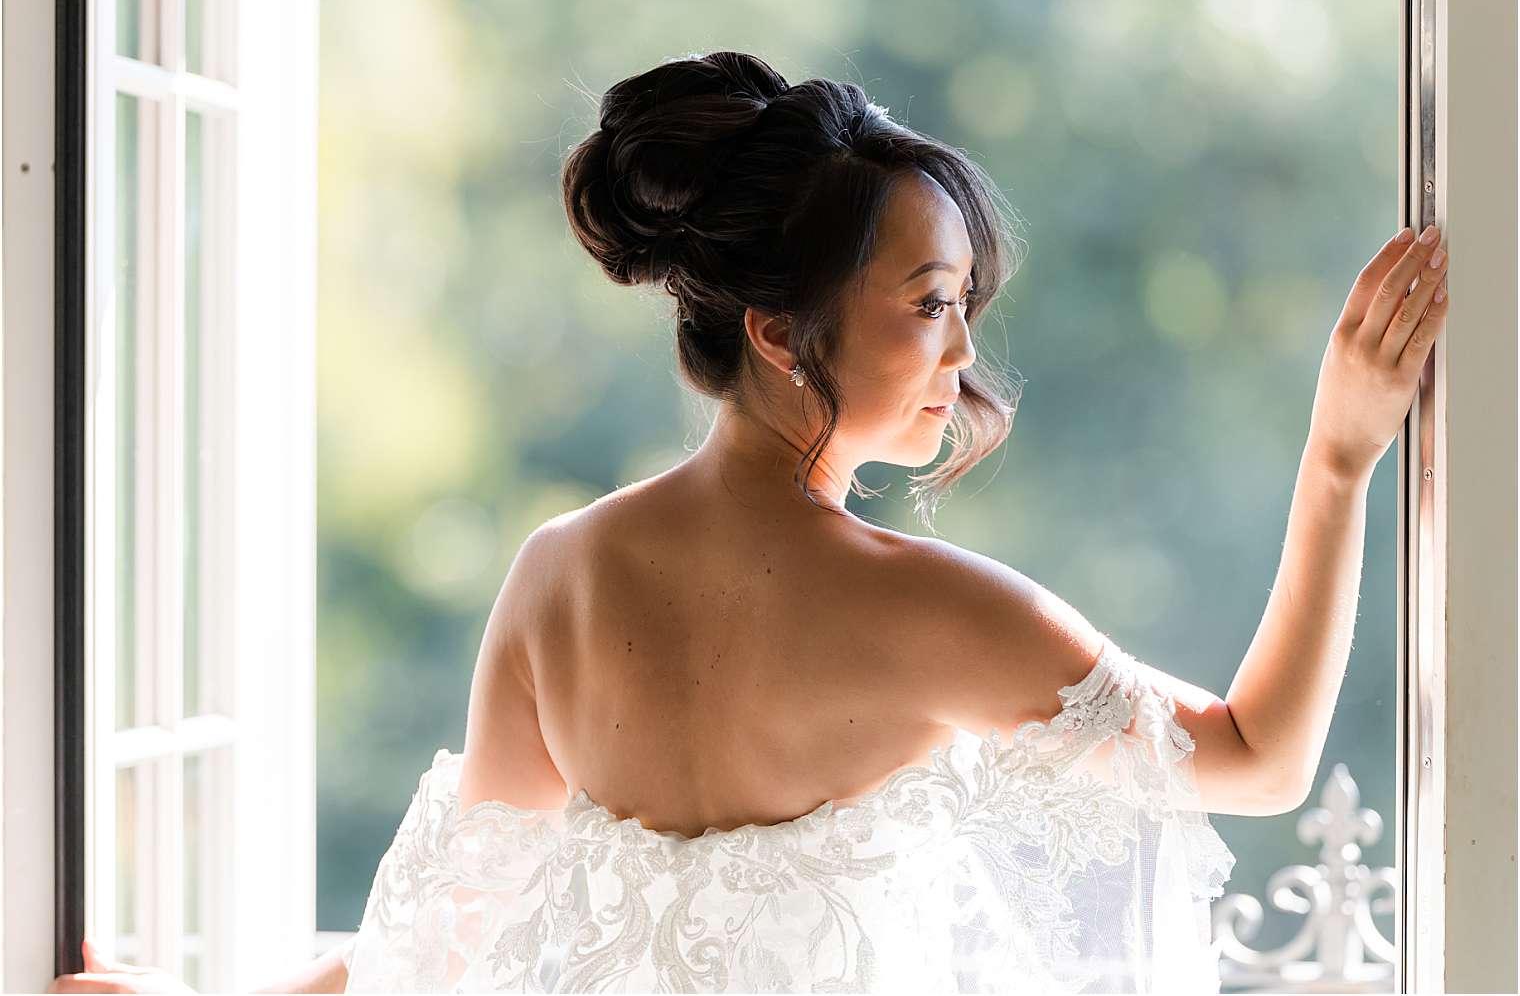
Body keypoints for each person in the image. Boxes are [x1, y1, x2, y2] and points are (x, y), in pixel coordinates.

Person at [51, 50, 1450, 995]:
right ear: (782, 331)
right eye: (925, 302)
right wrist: (1337, 460)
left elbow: (436, 950)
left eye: (961, 299)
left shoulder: (559, 580)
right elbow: (1261, 761)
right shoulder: (934, 612)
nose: (961, 349)